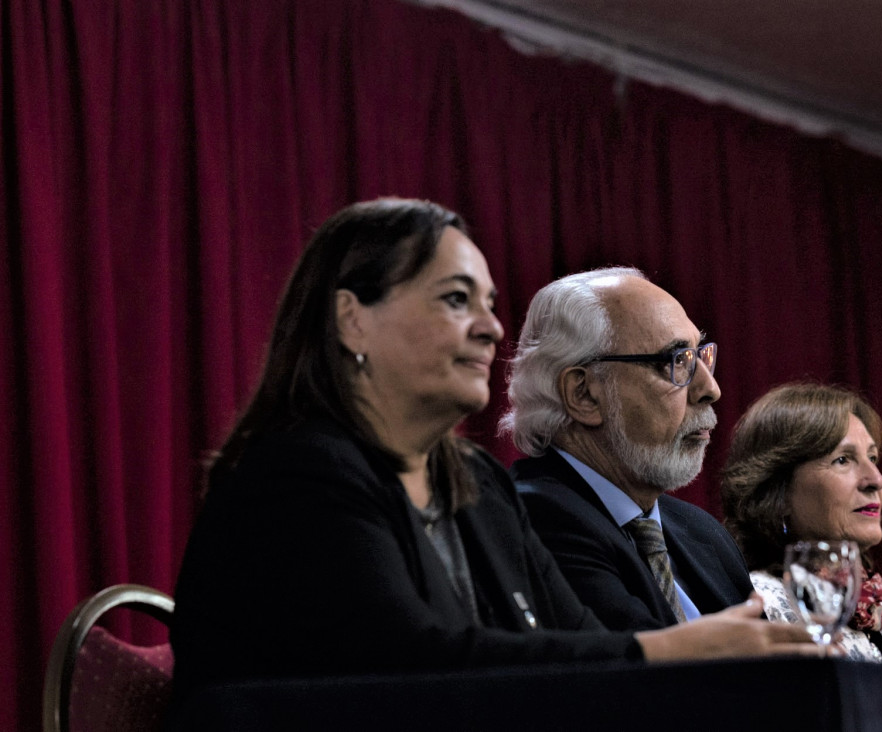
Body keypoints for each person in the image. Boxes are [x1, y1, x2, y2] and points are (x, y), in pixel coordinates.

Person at [169, 198, 815, 707]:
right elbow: (418, 671)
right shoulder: (298, 477)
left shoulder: (475, 479)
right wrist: (668, 656)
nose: (493, 328)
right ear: (353, 319)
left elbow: (585, 644)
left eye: (490, 305)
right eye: (456, 300)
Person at [500, 267, 753, 631]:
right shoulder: (534, 519)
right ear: (584, 394)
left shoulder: (700, 531)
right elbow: (645, 678)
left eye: (700, 356)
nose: (710, 388)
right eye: (677, 360)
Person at [720, 382, 882, 667]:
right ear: (777, 494)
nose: (876, 480)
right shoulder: (760, 606)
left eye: (873, 458)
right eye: (842, 460)